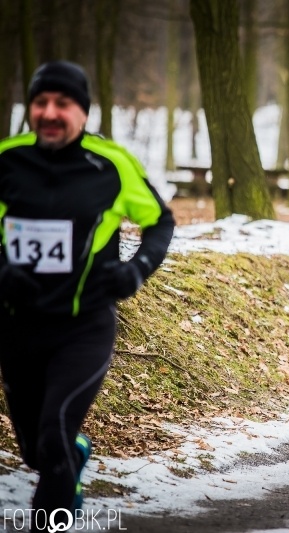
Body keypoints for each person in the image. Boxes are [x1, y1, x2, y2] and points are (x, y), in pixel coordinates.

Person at [0, 61, 174, 530]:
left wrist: (135, 270)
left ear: (82, 111)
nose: (50, 113)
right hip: (18, 327)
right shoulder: (8, 160)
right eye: (40, 102)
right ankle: (72, 456)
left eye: (63, 104)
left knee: (54, 432)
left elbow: (161, 221)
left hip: (84, 326)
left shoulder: (112, 165)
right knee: (39, 451)